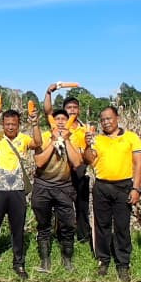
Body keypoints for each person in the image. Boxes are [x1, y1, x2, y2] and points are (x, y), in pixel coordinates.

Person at [83, 105, 141, 281]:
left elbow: (139, 164)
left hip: (123, 186)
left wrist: (136, 188)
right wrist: (87, 145)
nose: (106, 122)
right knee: (102, 226)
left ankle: (123, 263)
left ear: (117, 118)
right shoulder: (98, 139)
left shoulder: (131, 137)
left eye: (109, 118)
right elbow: (88, 160)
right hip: (102, 186)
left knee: (122, 226)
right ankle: (103, 259)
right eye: (102, 120)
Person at [0, 105, 39, 279]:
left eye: (14, 124)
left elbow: (37, 143)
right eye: (7, 124)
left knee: (18, 229)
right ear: (3, 124)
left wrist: (35, 124)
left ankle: (19, 263)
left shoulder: (23, 139)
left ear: (19, 124)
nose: (10, 127)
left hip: (17, 191)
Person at [31, 108, 85, 273]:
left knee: (68, 224)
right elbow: (39, 162)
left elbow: (77, 163)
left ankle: (67, 259)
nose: (61, 121)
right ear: (51, 122)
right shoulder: (44, 137)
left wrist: (66, 141)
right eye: (57, 119)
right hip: (43, 186)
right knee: (43, 224)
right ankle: (45, 260)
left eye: (64, 119)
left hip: (64, 187)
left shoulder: (74, 138)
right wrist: (54, 141)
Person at [44, 86, 91, 248]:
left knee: (82, 205)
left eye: (75, 107)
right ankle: (60, 235)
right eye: (69, 107)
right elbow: (48, 111)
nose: (72, 110)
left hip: (79, 170)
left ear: (79, 110)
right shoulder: (60, 126)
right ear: (64, 110)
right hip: (61, 170)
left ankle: (84, 236)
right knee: (61, 206)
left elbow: (90, 152)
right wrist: (49, 93)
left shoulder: (85, 130)